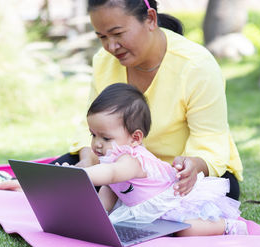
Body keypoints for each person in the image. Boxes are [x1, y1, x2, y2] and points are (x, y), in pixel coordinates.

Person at [56, 0, 244, 200]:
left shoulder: (197, 66)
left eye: (118, 34)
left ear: (151, 19)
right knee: (50, 180)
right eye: (102, 37)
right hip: (120, 164)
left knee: (189, 204)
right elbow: (92, 125)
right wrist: (87, 161)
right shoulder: (104, 60)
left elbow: (210, 141)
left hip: (177, 173)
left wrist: (194, 165)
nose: (111, 46)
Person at [72, 83, 247, 236]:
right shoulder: (110, 160)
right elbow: (108, 194)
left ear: (135, 138)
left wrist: (78, 174)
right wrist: (95, 217)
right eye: (93, 135)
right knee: (123, 226)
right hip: (148, 211)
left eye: (106, 138)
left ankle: (227, 226)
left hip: (170, 205)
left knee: (185, 229)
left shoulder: (131, 160)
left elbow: (110, 174)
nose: (97, 144)